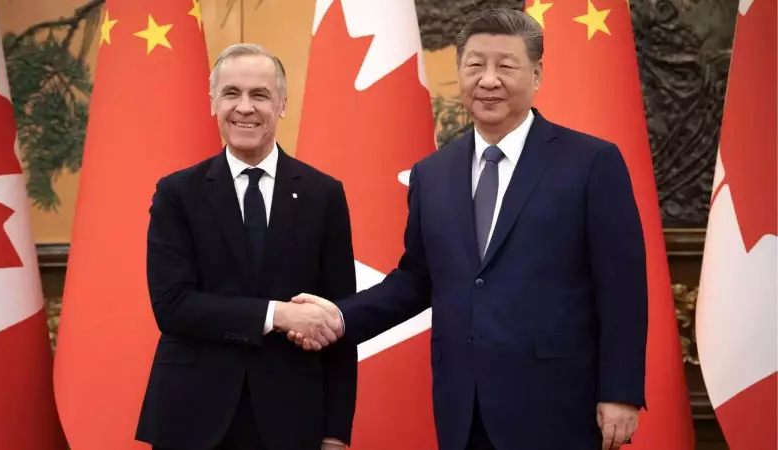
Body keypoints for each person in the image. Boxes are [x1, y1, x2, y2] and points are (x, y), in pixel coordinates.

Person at [288, 8, 648, 450]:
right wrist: (339, 317)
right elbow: (417, 279)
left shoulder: (591, 162)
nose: (488, 80)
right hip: (465, 405)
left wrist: (620, 392)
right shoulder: (432, 173)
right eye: (475, 65)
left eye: (506, 66)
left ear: (536, 75)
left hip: (558, 404)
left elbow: (622, 287)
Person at [135, 43, 356, 450]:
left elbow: (339, 319)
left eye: (260, 95)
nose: (244, 108)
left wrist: (336, 432)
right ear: (213, 103)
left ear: (282, 104)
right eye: (231, 93)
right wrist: (277, 315)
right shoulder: (177, 193)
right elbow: (172, 305)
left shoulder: (323, 194)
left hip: (292, 418)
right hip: (192, 417)